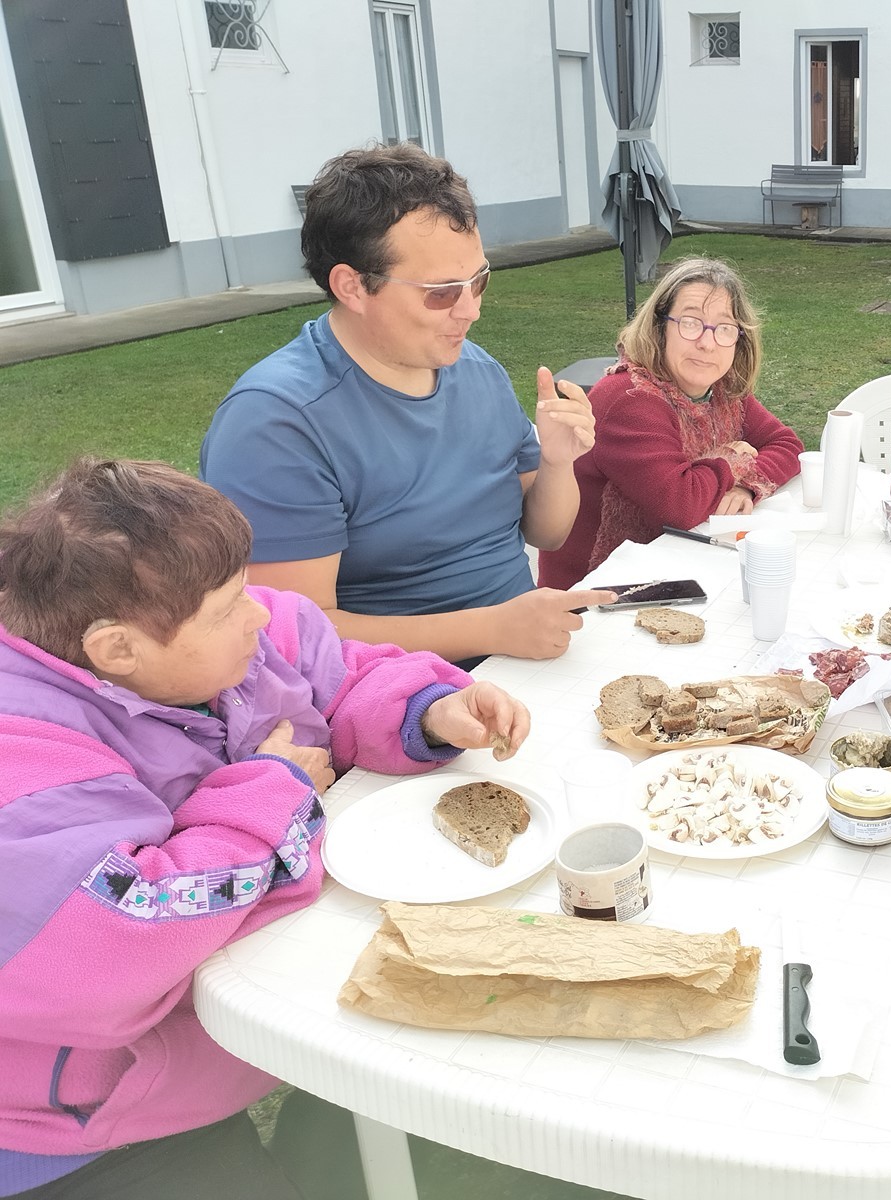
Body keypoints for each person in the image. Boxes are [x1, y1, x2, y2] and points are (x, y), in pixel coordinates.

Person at [0, 460, 530, 1199]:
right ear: (117, 650)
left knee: (420, 1071)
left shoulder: (233, 640)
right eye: (227, 607)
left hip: (218, 1042)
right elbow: (116, 941)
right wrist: (273, 792)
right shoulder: (21, 753)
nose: (258, 613)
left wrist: (429, 709)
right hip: (79, 1126)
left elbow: (340, 673)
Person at [201, 143, 612, 668]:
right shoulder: (277, 421)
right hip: (398, 701)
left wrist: (557, 462)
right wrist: (492, 628)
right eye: (441, 292)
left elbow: (545, 532)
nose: (472, 310)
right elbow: (294, 634)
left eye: (479, 280)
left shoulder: (475, 369)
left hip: (525, 658)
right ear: (352, 286)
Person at [537, 256, 802, 590]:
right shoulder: (630, 400)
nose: (707, 343)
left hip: (676, 567)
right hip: (594, 595)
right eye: (690, 323)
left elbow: (789, 446)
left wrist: (744, 485)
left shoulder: (720, 390)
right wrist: (731, 459)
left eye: (724, 329)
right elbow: (682, 503)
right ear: (659, 327)